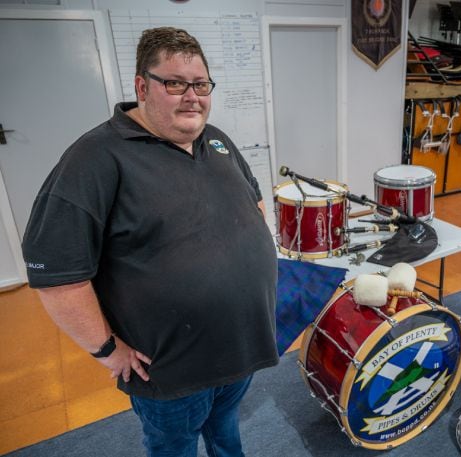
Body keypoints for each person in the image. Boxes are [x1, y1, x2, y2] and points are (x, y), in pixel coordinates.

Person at [21, 27, 278, 457]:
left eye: (200, 84)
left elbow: (254, 204)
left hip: (241, 349)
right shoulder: (94, 159)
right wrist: (107, 351)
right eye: (175, 83)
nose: (192, 96)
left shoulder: (215, 139)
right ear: (142, 86)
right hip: (170, 372)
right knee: (174, 447)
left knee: (225, 431)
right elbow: (58, 277)